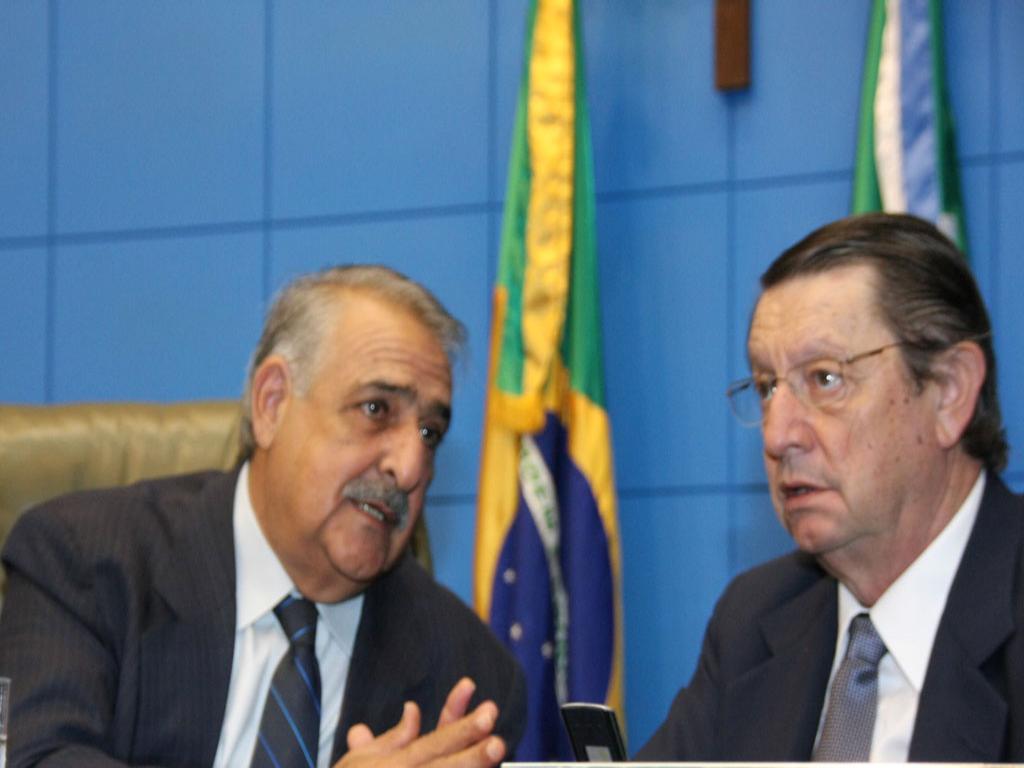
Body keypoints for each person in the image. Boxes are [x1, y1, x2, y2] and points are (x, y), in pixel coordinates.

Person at [0, 265, 526, 767]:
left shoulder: (472, 677)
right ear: (272, 403)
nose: (410, 467)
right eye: (375, 409)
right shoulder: (84, 562)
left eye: (430, 433)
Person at [637, 213, 1024, 762]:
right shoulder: (754, 620)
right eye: (767, 387)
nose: (777, 435)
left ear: (948, 391)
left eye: (825, 379)